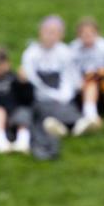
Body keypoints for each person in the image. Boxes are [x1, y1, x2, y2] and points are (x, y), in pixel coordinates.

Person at [21, 14, 84, 160]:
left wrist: (63, 95)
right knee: (44, 110)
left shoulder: (65, 52)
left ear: (61, 35)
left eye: (54, 32)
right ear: (40, 32)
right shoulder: (31, 54)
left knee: (66, 106)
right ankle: (70, 125)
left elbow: (70, 77)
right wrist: (52, 95)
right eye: (47, 31)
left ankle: (64, 125)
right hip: (41, 98)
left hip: (63, 97)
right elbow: (33, 79)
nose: (50, 36)